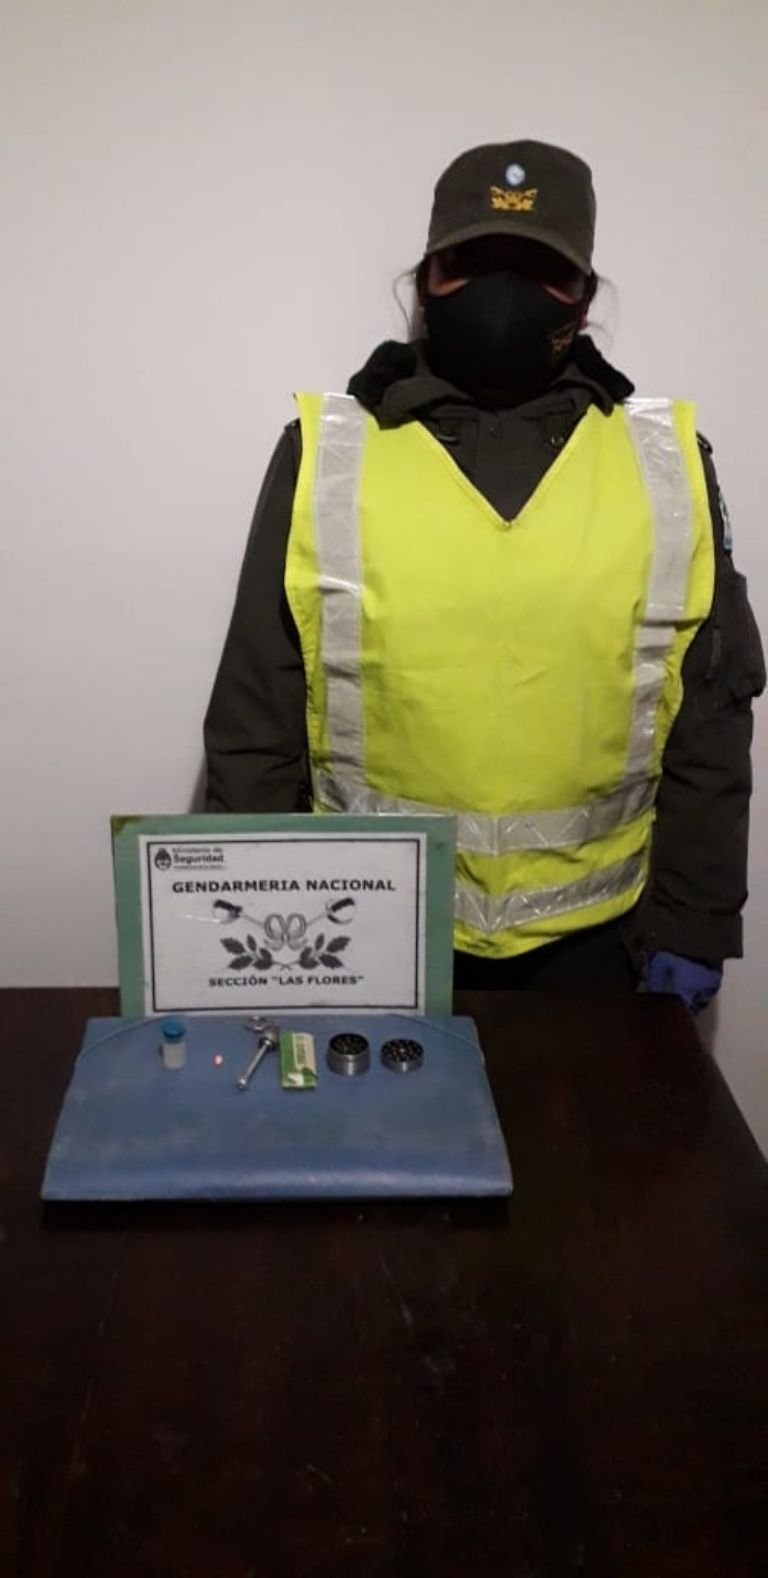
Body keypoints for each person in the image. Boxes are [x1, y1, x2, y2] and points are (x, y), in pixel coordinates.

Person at [204, 139, 764, 1007]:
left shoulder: (665, 461)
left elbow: (712, 714)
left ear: (585, 298)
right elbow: (257, 710)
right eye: (471, 262)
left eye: (540, 270)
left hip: (600, 948)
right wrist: (248, 922)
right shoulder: (329, 452)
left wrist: (696, 922)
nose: (503, 294)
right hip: (356, 933)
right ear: (425, 282)